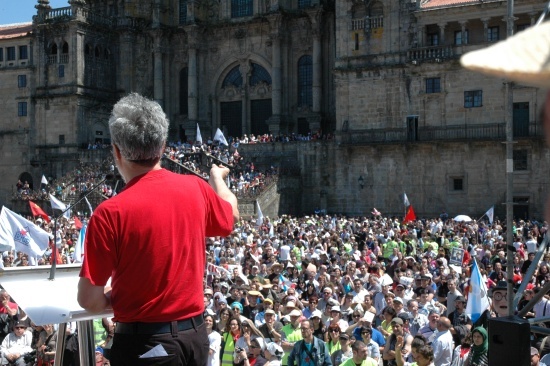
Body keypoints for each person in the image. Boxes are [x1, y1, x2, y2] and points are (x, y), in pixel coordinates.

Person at [77, 93, 238, 366]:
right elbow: (230, 214)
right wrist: (216, 179)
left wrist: (134, 298)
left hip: (146, 344)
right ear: (163, 146)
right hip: (195, 338)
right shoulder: (196, 188)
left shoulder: (108, 214)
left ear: (116, 151)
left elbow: (89, 301)